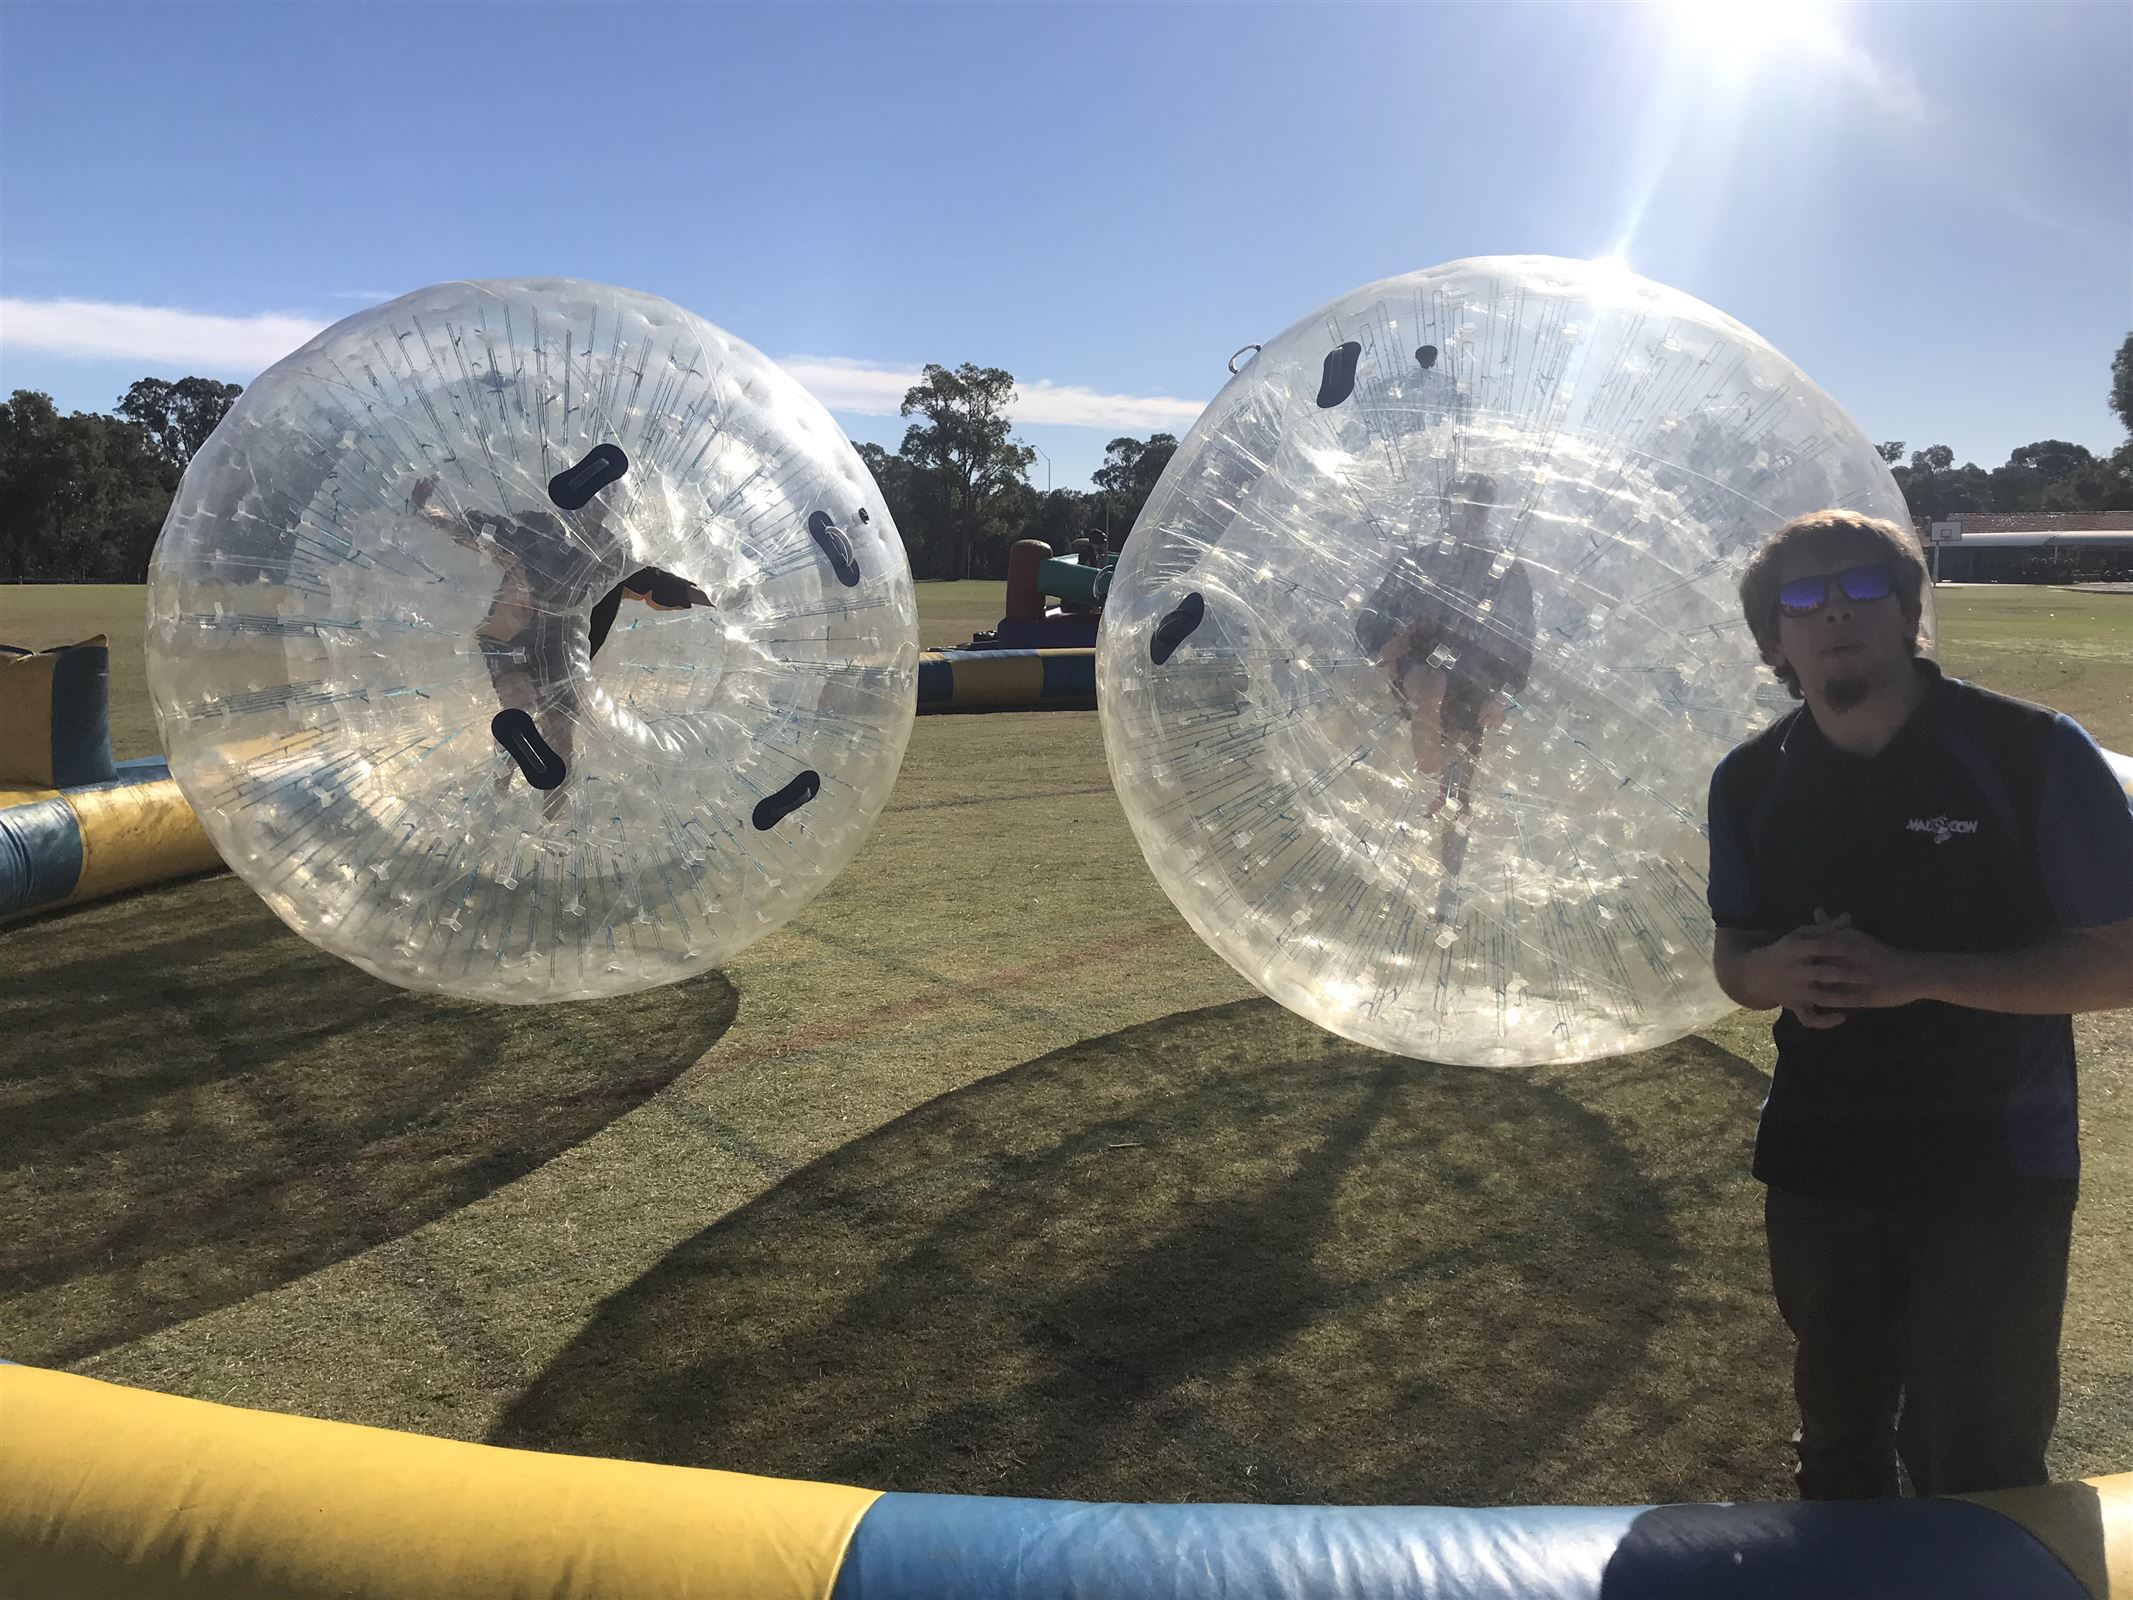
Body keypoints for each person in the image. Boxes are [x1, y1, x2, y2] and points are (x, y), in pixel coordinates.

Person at [1705, 508, 2133, 1499]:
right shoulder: (1750, 781)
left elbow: (2120, 961)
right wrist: (1772, 976)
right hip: (1821, 1164)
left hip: (1992, 1170)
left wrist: (1917, 973)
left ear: (1908, 613)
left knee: (1979, 1465)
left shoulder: (2030, 752)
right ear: (1774, 640)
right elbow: (1735, 954)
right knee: (1840, 1450)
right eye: (1802, 600)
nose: (1835, 613)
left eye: (1861, 586)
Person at [409, 477, 708, 810]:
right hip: (511, 638)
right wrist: (426, 509)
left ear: (608, 510)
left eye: (601, 501)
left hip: (560, 652)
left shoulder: (610, 556)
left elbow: (662, 584)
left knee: (563, 734)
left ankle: (551, 817)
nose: (591, 507)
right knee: (518, 709)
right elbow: (473, 533)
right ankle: (497, 793)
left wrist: (717, 597)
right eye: (589, 500)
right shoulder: (536, 533)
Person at [1355, 472, 1536, 821]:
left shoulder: (1509, 571)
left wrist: (1503, 696)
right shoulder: (1419, 560)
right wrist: (1384, 646)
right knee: (1433, 701)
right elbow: (1374, 614)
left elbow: (1521, 638)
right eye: (1458, 510)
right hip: (1422, 661)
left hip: (1475, 674)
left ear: (1486, 514)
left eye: (1475, 511)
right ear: (1445, 511)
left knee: (1465, 733)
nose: (1466, 518)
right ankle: (1438, 782)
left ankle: (1454, 802)